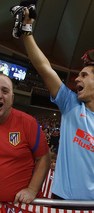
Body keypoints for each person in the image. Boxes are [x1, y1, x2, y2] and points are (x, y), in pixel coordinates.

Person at [21, 9, 94, 201]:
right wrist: (27, 30)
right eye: (78, 75)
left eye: (84, 75)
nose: (77, 79)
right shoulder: (70, 103)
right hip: (63, 199)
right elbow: (44, 67)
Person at [0, 73, 50, 203]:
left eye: (4, 91)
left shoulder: (27, 122)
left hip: (20, 207)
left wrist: (32, 190)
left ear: (12, 98)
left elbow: (44, 158)